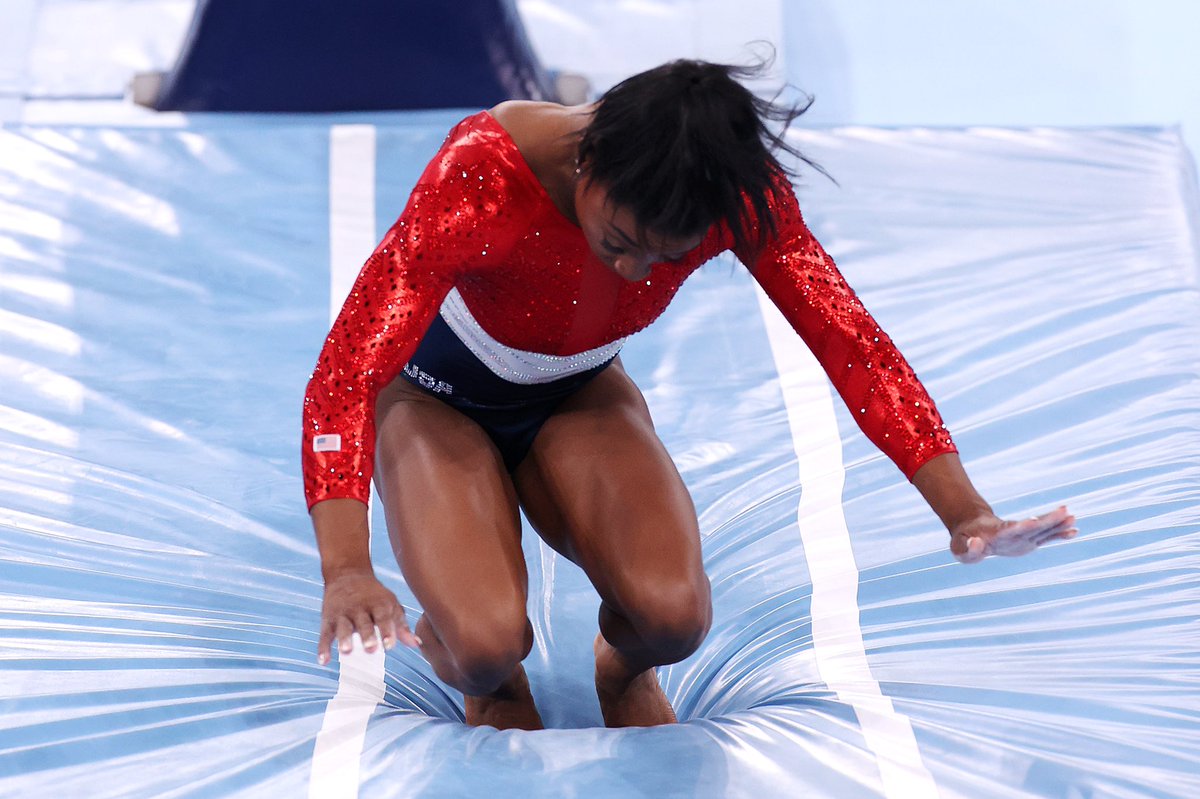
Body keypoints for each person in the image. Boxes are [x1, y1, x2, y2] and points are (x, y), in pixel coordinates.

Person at [302, 59, 1077, 731]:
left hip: (575, 395)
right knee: (484, 642)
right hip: (435, 399)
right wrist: (347, 567)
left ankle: (621, 670)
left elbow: (851, 342)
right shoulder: (486, 170)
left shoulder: (740, 200)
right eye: (619, 242)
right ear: (587, 160)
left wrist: (964, 510)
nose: (634, 272)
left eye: (664, 257)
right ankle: (494, 682)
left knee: (672, 616)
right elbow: (347, 369)